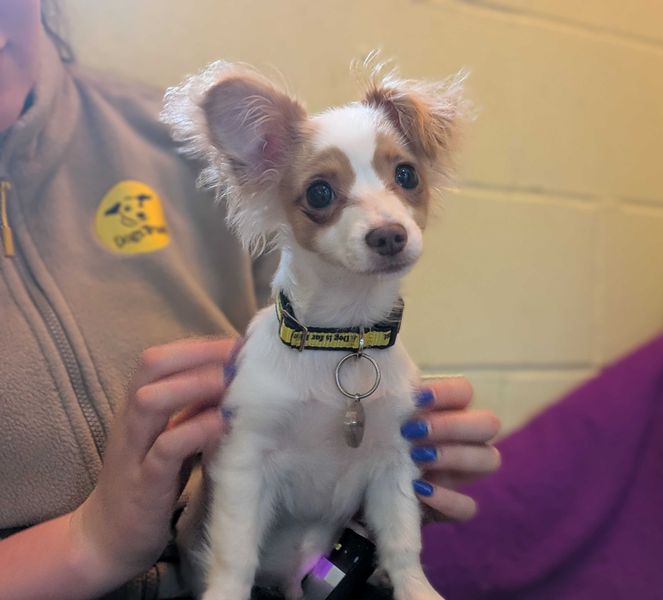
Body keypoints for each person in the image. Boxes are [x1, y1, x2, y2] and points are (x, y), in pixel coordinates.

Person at [0, 2, 501, 599]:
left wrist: (384, 517)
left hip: (321, 576)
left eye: (405, 177)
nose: (384, 219)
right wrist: (89, 542)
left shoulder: (160, 143)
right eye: (323, 192)